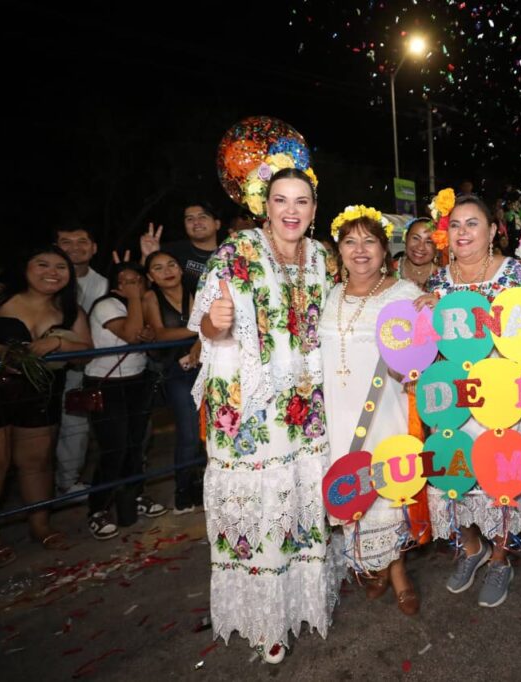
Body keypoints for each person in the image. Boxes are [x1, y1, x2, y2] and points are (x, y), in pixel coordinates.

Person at [191, 167, 343, 664]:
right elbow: (208, 332)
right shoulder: (237, 253)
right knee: (259, 512)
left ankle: (304, 600)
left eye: (302, 201)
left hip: (306, 408)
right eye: (281, 200)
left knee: (302, 505)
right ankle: (266, 622)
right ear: (266, 206)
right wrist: (214, 326)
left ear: (315, 210)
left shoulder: (322, 257)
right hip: (250, 416)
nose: (292, 211)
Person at [415, 193, 521, 608]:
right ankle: (470, 549)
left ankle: (500, 558)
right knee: (452, 475)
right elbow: (426, 346)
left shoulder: (516, 273)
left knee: (500, 478)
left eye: (473, 224)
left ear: (492, 230)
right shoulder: (437, 281)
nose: (462, 232)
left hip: (502, 394)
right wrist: (425, 312)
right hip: (452, 398)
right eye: (456, 225)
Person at [0, 246, 92, 566]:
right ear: (24, 267)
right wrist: (0, 352)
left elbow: (85, 351)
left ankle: (39, 522)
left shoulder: (68, 308)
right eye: (42, 264)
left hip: (38, 394)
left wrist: (57, 342)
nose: (51, 271)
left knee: (38, 461)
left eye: (60, 267)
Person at [319, 207, 424, 615]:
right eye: (350, 242)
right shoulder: (330, 295)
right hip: (338, 414)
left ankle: (397, 573)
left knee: (387, 485)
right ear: (339, 251)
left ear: (385, 251)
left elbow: (423, 354)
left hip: (385, 410)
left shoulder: (405, 295)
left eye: (369, 242)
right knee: (353, 484)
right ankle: (373, 565)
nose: (360, 250)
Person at [84, 263, 166, 540]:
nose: (131, 284)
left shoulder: (145, 303)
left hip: (137, 380)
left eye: (136, 280)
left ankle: (136, 495)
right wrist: (133, 299)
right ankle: (97, 509)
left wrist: (149, 331)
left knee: (136, 443)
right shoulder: (106, 305)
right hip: (107, 384)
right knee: (114, 448)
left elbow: (148, 335)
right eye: (124, 281)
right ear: (115, 285)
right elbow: (131, 335)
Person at [142, 250, 202, 514]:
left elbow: (212, 327)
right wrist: (199, 329)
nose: (167, 271)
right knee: (188, 433)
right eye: (158, 268)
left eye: (171, 264)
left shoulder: (194, 291)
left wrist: (200, 338)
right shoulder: (150, 297)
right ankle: (183, 490)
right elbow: (160, 333)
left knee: (206, 433)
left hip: (202, 367)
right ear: (150, 277)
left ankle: (200, 485)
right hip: (174, 373)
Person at [54, 224, 109, 496]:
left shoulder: (103, 283)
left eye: (82, 241)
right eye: (66, 241)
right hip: (46, 364)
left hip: (85, 364)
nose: (75, 247)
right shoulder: (46, 281)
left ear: (94, 247)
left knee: (76, 424)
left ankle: (68, 481)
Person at [140, 202, 223, 293]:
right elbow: (143, 287)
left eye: (202, 217)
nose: (196, 222)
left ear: (217, 224)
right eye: (189, 219)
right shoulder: (169, 252)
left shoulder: (231, 255)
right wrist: (148, 257)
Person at [395, 217, 438, 289]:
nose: (420, 247)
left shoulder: (445, 277)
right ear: (406, 238)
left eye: (429, 242)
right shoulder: (388, 270)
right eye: (415, 238)